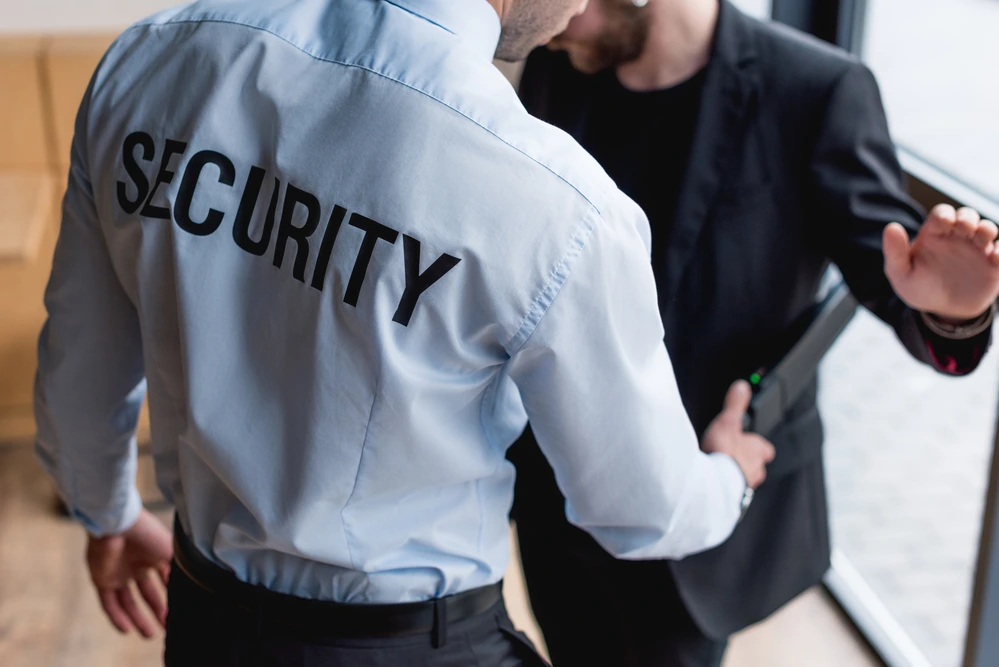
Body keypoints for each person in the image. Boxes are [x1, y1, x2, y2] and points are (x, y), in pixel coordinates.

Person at [32, 0, 778, 665]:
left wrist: (108, 513)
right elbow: (642, 510)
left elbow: (79, 362)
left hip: (207, 623)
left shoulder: (155, 54)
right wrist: (726, 476)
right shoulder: (558, 204)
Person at [507, 1, 999, 665]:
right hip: (556, 499)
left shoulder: (814, 89)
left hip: (702, 521)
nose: (557, 15)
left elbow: (896, 276)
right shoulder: (558, 63)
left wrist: (947, 309)